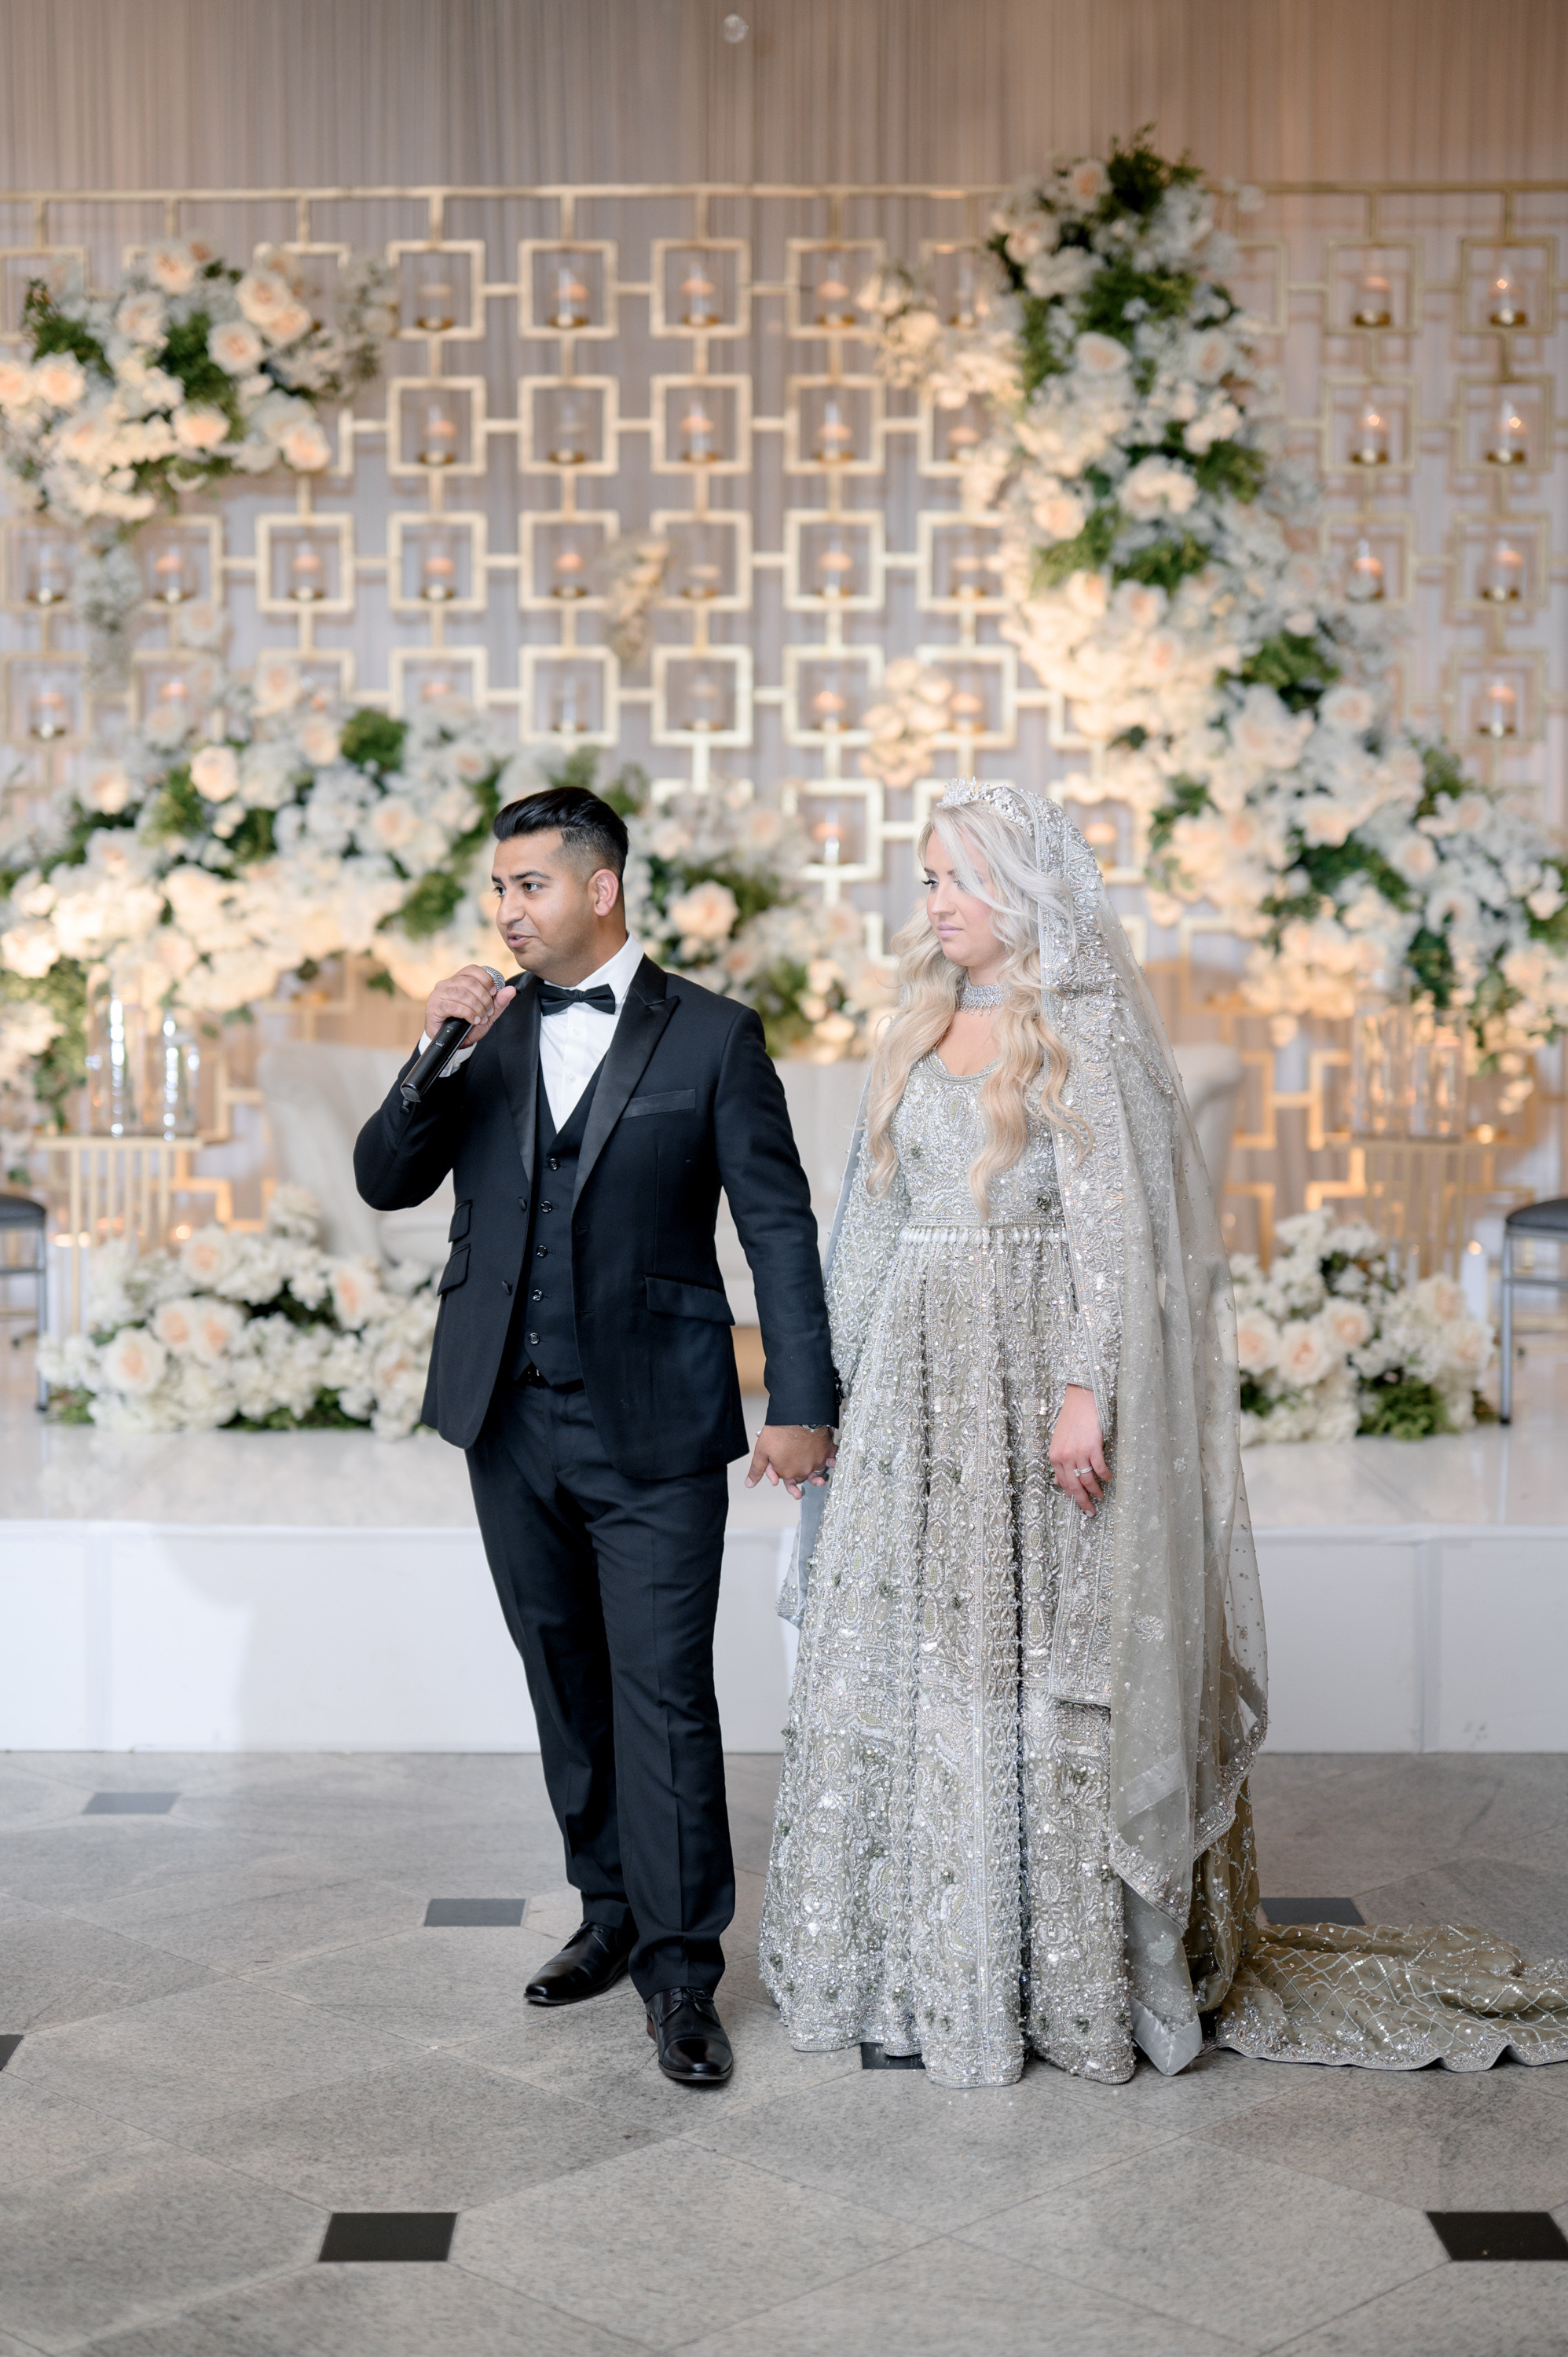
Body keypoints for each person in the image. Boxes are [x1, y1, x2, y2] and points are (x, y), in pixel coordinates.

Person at [761, 778, 1568, 2089]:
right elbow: (867, 1224)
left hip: (1033, 1383)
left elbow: (1122, 1243)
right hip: (918, 1386)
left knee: (1040, 1658)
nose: (938, 904)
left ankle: (1066, 1977)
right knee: (930, 1658)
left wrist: (1087, 1390)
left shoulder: (1078, 1032)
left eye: (960, 879)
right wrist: (828, 1399)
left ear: (1023, 895)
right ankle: (931, 1967)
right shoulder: (911, 1029)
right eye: (927, 879)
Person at [355, 783, 837, 2088]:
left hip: (659, 1421)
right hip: (506, 1415)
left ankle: (685, 1974)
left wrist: (800, 1401)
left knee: (664, 1693)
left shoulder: (717, 1038)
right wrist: (429, 1053)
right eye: (499, 888)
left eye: (530, 886)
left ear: (600, 888)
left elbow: (778, 1230)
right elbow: (385, 1179)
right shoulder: (486, 1033)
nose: (507, 910)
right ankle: (609, 1914)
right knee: (563, 1675)